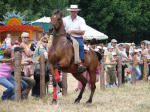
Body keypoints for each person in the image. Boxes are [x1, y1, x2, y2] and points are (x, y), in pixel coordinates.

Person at [63, 5, 87, 72]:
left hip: (77, 37)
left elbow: (83, 32)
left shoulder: (81, 20)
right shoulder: (65, 19)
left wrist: (72, 31)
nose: (73, 13)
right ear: (70, 11)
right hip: (66, 37)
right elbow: (61, 27)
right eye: (72, 11)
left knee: (79, 45)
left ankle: (81, 62)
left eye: (74, 11)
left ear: (77, 11)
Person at [20, 32, 34, 99]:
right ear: (22, 38)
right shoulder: (22, 45)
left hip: (27, 63)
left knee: (28, 80)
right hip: (24, 64)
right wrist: (31, 53)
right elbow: (28, 53)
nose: (26, 38)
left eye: (27, 37)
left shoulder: (26, 45)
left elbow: (30, 53)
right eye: (24, 37)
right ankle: (24, 94)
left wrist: (31, 53)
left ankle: (25, 95)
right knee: (26, 80)